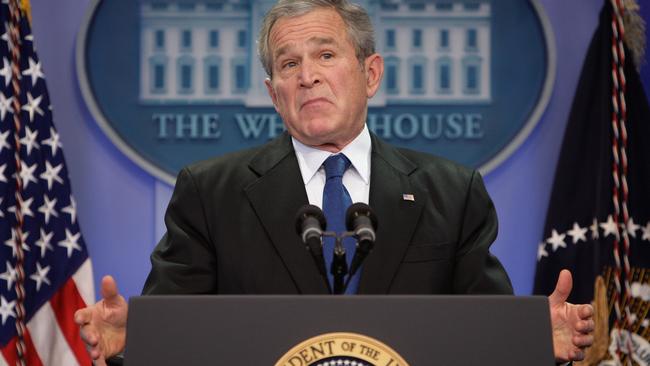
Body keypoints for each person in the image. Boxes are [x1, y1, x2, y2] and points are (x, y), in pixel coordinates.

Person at [75, 0, 594, 364]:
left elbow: (483, 336)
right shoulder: (210, 194)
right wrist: (133, 342)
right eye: (289, 64)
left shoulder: (451, 193)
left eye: (325, 55)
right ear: (274, 92)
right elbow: (174, 334)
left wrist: (530, 342)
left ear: (370, 74)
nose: (307, 75)